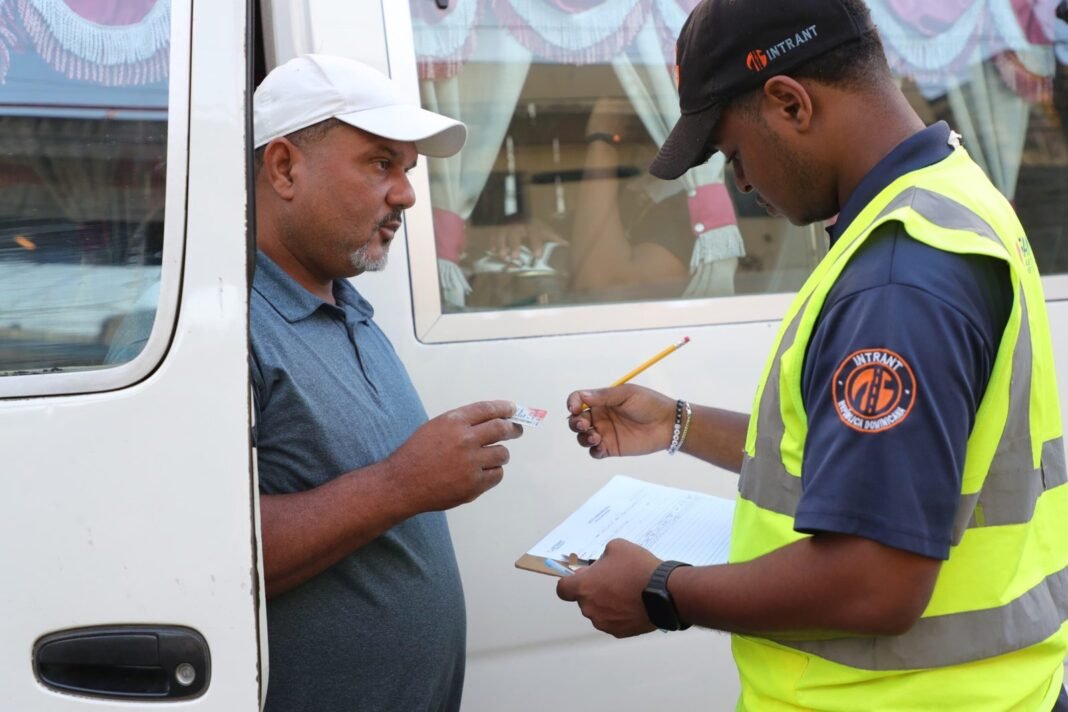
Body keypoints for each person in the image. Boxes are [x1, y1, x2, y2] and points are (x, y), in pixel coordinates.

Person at [557, 0, 1068, 709]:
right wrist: (678, 423)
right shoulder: (953, 194)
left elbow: (875, 581)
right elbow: (874, 465)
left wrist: (660, 590)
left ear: (790, 103)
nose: (739, 183)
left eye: (733, 153)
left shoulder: (898, 276)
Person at [250, 54, 523, 712]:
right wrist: (403, 484)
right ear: (285, 167)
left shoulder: (348, 306)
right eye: (381, 163)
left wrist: (425, 471)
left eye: (407, 169)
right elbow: (203, 554)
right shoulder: (235, 328)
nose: (405, 193)